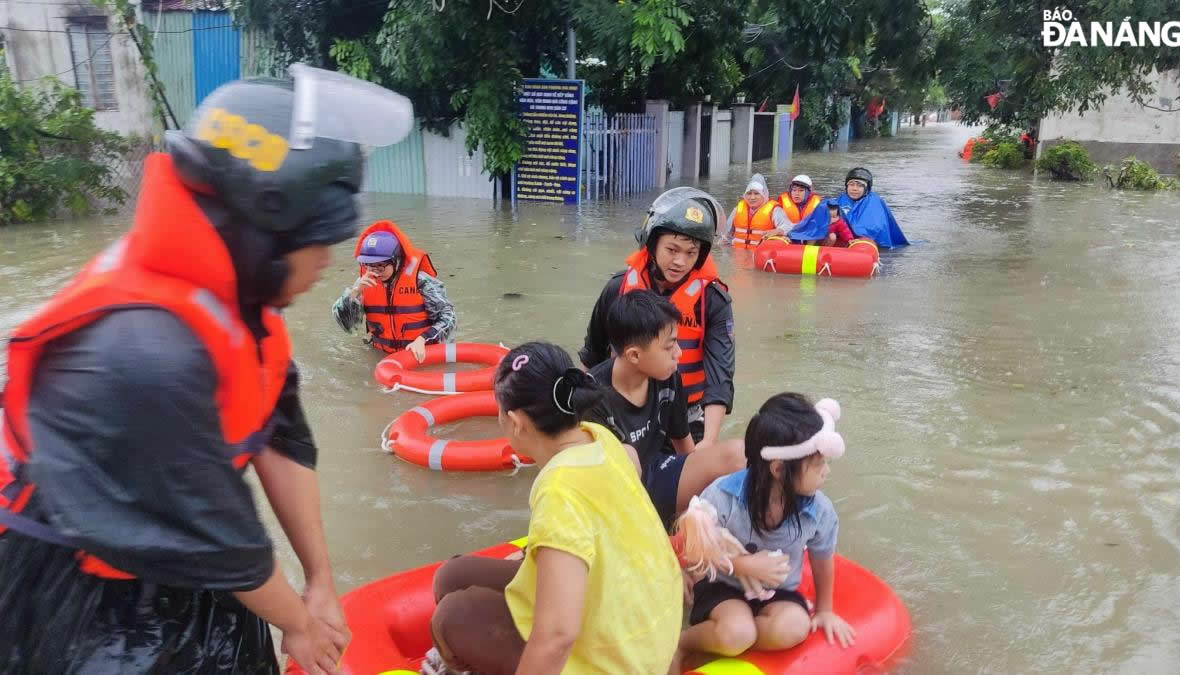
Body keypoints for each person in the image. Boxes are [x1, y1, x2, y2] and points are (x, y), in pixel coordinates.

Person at [0, 69, 410, 674]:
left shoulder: (246, 310)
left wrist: (320, 582)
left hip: (197, 559)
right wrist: (298, 624)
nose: (329, 260)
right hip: (75, 589)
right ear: (262, 230)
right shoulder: (147, 352)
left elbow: (284, 440)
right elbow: (218, 538)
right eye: (317, 242)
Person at [423, 342, 683, 675]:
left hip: (616, 662)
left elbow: (558, 635)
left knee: (451, 617)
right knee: (452, 577)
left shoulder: (559, 488)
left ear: (516, 422)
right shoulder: (598, 436)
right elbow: (609, 499)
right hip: (645, 627)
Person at [679, 394, 856, 660]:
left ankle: (725, 643)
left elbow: (822, 558)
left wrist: (825, 609)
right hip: (724, 586)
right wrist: (741, 565)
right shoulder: (723, 495)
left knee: (795, 628)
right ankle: (683, 644)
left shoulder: (818, 510)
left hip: (779, 592)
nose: (825, 472)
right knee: (738, 631)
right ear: (779, 469)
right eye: (818, 464)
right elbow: (696, 546)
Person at [579, 187, 735, 449]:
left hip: (686, 417)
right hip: (621, 414)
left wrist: (708, 442)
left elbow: (720, 376)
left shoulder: (713, 301)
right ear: (652, 243)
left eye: (690, 253)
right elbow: (592, 357)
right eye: (672, 249)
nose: (680, 262)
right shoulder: (618, 289)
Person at [584, 290, 745, 528]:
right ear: (635, 355)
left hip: (657, 473)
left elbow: (686, 450)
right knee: (627, 457)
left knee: (738, 453)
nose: (679, 353)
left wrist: (697, 498)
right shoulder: (591, 398)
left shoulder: (668, 379)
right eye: (669, 346)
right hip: (617, 498)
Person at [332, 220, 456, 361]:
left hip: (420, 355)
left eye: (380, 266)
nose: (375, 272)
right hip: (382, 356)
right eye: (369, 266)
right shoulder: (362, 284)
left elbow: (449, 318)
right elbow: (349, 327)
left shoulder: (421, 280)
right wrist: (354, 293)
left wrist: (423, 339)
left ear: (396, 261)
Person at [787, 168, 908, 248]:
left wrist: (850, 233)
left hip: (862, 242)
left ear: (867, 189)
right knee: (826, 205)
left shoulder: (873, 202)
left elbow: (873, 227)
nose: (854, 188)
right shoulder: (841, 200)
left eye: (859, 185)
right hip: (843, 238)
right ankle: (801, 238)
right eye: (851, 184)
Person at [726, 173, 791, 248]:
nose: (752, 197)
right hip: (738, 253)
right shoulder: (737, 209)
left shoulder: (775, 210)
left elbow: (788, 227)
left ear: (763, 195)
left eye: (756, 194)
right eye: (749, 193)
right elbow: (726, 236)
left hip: (761, 255)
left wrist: (778, 231)